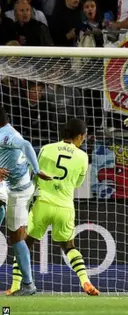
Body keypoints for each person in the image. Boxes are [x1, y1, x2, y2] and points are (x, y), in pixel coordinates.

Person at [17, 119, 99, 296]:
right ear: (79, 136)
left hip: (43, 204)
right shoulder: (83, 156)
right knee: (69, 246)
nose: (83, 140)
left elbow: (35, 172)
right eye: (83, 137)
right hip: (65, 207)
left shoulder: (47, 148)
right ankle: (85, 281)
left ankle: (16, 285)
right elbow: (77, 183)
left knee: (24, 245)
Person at [0, 106, 51, 296]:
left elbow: (27, 145)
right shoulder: (6, 132)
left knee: (16, 238)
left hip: (17, 191)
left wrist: (37, 170)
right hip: (10, 187)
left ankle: (28, 285)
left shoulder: (5, 135)